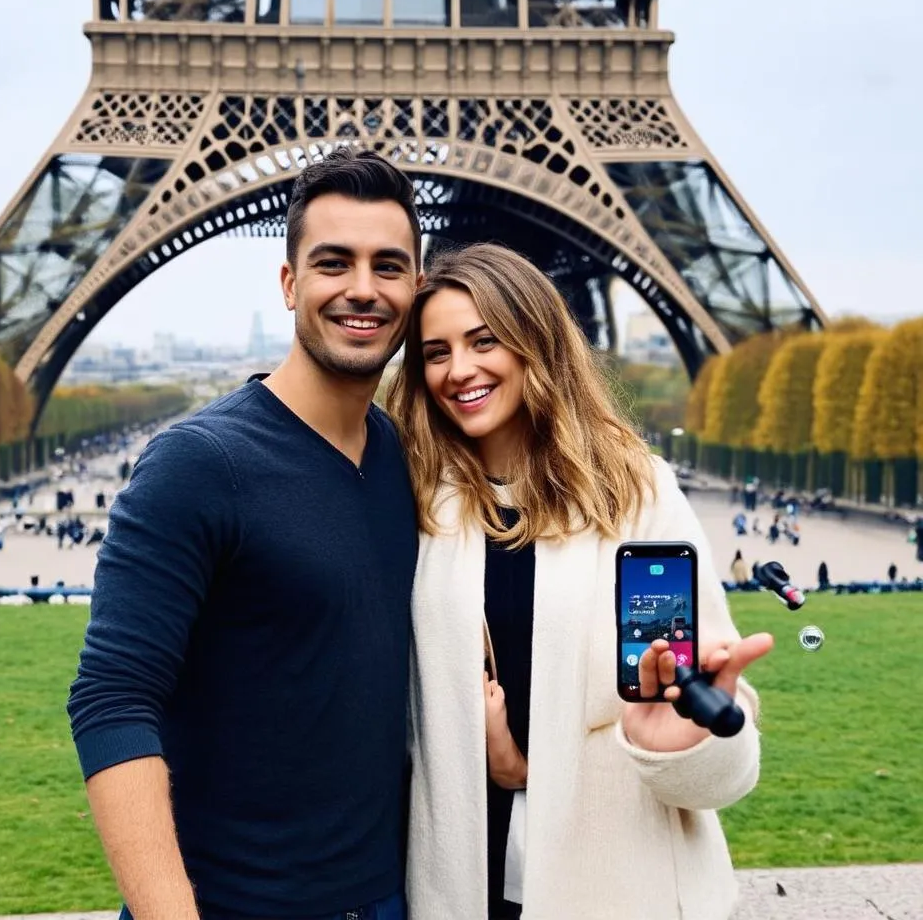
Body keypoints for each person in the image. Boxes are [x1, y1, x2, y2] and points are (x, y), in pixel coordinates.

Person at [67, 148, 422, 920]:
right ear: (290, 283)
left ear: (415, 288)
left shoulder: (405, 460)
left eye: (388, 266)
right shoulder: (198, 463)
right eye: (335, 263)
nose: (363, 288)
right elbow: (111, 699)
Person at [388, 244, 772, 920]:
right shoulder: (416, 499)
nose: (460, 369)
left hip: (617, 884)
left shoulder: (635, 491)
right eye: (437, 352)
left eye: (485, 341)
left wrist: (682, 742)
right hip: (464, 883)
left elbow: (714, 763)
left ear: (536, 342)